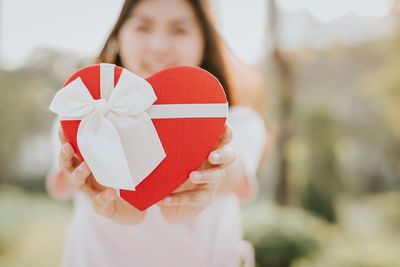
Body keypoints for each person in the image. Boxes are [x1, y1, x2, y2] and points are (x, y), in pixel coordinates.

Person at [46, 0, 267, 266]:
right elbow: (70, 174)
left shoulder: (238, 120)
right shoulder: (86, 113)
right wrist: (98, 187)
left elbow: (234, 171)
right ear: (119, 35)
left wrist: (209, 166)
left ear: (204, 41)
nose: (160, 46)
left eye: (179, 30)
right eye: (143, 27)